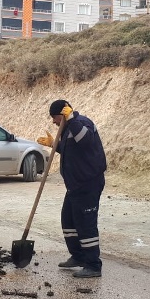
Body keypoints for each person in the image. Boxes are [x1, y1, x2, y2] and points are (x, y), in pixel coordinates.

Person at [37, 100, 107, 278]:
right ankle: (78, 256)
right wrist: (54, 144)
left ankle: (93, 265)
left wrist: (72, 118)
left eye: (55, 117)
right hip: (75, 185)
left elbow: (85, 141)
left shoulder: (82, 123)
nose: (53, 121)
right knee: (68, 220)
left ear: (64, 113)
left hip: (88, 183)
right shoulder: (68, 128)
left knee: (86, 224)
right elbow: (73, 150)